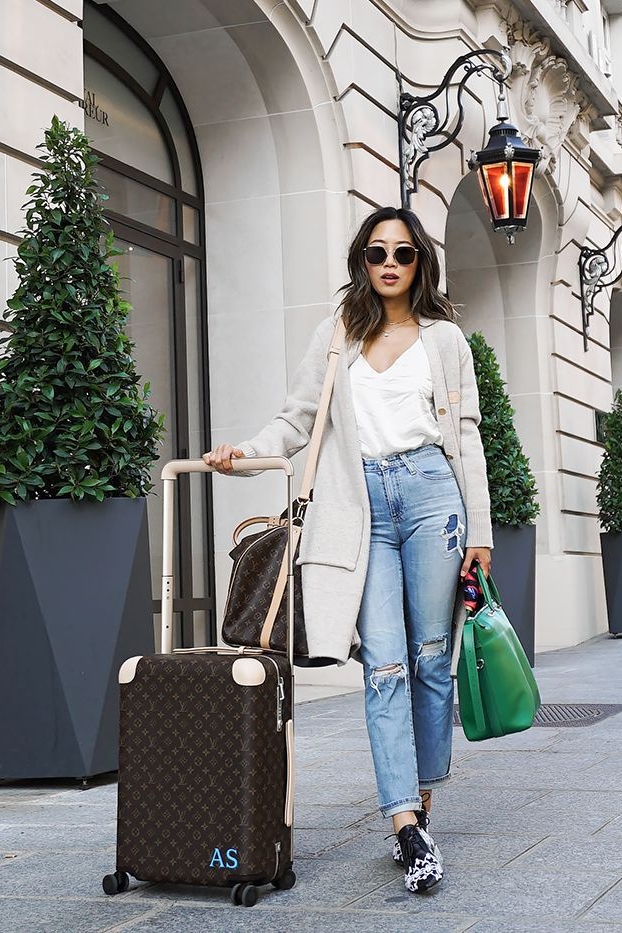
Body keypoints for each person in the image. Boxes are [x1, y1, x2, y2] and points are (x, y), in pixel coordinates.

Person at [202, 206, 493, 894]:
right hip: (360, 504)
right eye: (375, 253)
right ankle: (403, 823)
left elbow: (469, 436)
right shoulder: (338, 334)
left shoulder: (446, 339)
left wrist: (479, 529)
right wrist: (243, 453)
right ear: (361, 263)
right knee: (384, 663)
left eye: (402, 253)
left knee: (428, 660)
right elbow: (296, 419)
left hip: (432, 495)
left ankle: (422, 799)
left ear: (420, 261)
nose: (389, 263)